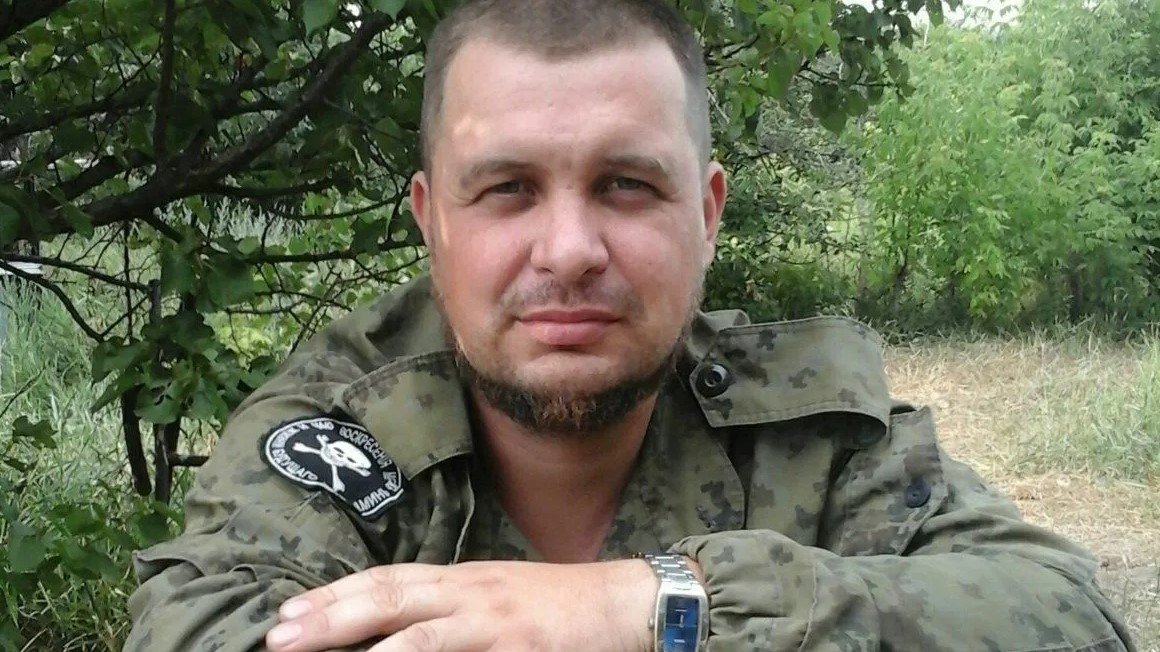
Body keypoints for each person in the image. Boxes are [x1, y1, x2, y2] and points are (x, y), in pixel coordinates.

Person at [124, 1, 1135, 650]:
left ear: (706, 215)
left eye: (625, 184)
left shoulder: (810, 434)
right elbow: (197, 628)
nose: (568, 250)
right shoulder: (342, 431)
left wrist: (657, 605)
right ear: (432, 224)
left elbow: (1066, 615)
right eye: (509, 189)